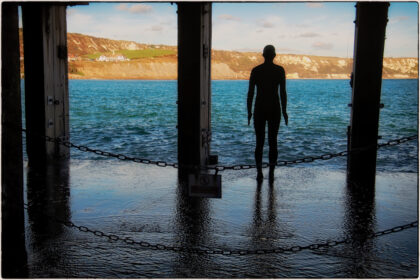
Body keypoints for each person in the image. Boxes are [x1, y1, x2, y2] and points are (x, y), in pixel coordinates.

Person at [247, 45, 288, 182]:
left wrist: (249, 111)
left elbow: (251, 93)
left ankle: (259, 172)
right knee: (273, 142)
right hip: (275, 108)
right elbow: (282, 93)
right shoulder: (279, 70)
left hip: (259, 108)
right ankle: (271, 172)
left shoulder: (256, 70)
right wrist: (285, 110)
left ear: (263, 55)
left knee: (259, 142)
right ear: (274, 55)